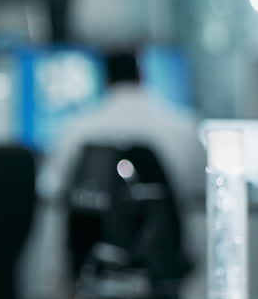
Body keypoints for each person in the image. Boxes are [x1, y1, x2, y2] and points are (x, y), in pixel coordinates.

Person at [42, 49, 205, 202]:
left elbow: (51, 188)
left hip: (94, 223)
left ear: (106, 80)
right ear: (141, 77)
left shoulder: (76, 129)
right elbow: (202, 187)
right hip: (169, 223)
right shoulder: (184, 125)